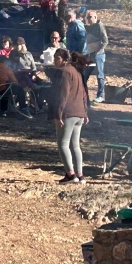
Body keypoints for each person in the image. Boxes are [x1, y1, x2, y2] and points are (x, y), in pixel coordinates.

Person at [50, 49, 89, 183]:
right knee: (75, 145)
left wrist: (58, 114)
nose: (55, 61)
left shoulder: (65, 71)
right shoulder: (77, 71)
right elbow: (84, 93)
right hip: (79, 113)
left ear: (64, 59)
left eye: (57, 58)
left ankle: (70, 175)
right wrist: (85, 112)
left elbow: (63, 95)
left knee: (63, 144)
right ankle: (80, 175)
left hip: (68, 113)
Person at [85, 10, 109, 103]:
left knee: (100, 75)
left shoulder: (100, 26)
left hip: (99, 54)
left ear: (95, 17)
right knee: (86, 74)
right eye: (88, 17)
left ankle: (100, 95)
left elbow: (105, 40)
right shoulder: (91, 27)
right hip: (91, 54)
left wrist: (99, 49)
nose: (89, 19)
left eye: (90, 17)